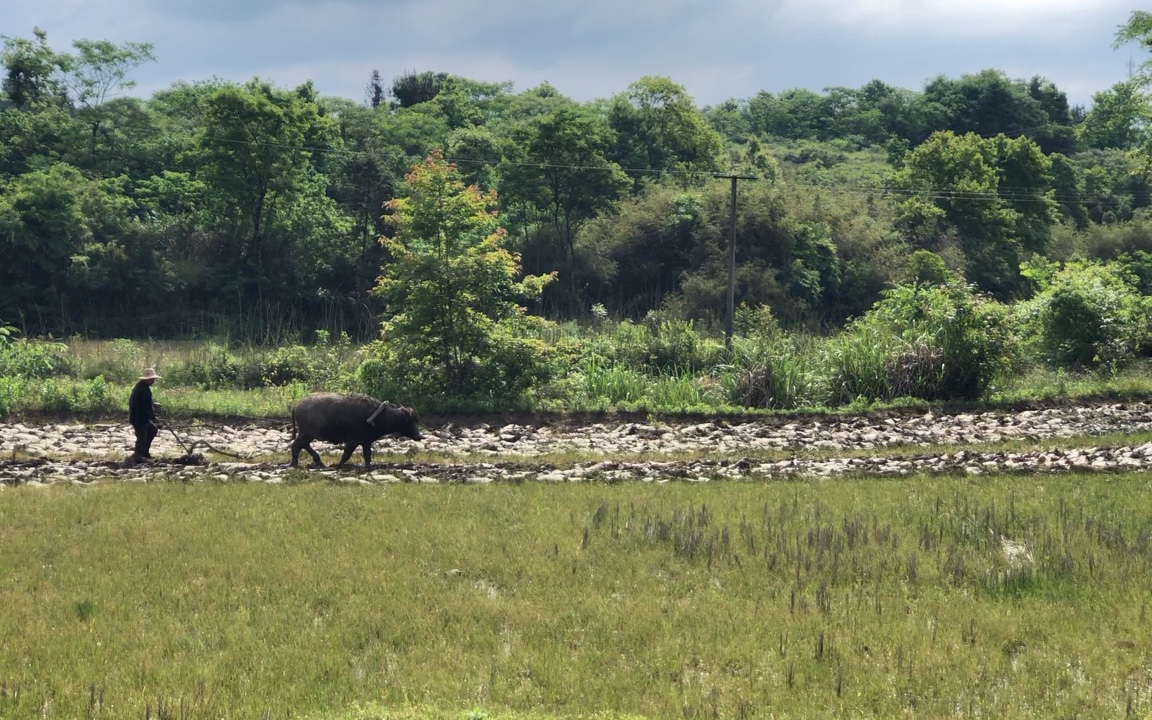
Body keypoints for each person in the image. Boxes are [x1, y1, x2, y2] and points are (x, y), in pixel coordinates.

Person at [129, 367, 161, 461]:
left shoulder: (141, 387)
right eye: (153, 379)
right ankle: (138, 455)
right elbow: (146, 406)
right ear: (149, 379)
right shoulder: (144, 390)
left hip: (138, 416)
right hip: (139, 418)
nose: (154, 381)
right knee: (142, 437)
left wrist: (153, 404)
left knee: (152, 430)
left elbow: (144, 402)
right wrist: (153, 417)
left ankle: (145, 452)